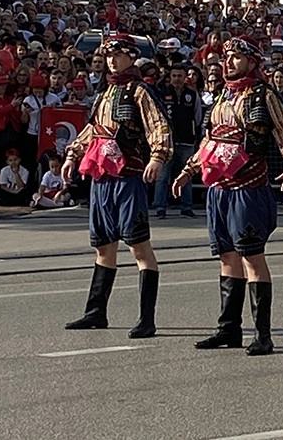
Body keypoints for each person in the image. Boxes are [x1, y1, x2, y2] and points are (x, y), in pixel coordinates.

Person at [173, 35, 283, 355]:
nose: (229, 61)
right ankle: (228, 329)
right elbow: (210, 141)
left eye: (236, 57)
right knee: (225, 257)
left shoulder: (264, 96)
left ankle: (263, 334)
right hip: (218, 189)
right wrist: (189, 170)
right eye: (226, 56)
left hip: (248, 187)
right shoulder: (220, 96)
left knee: (251, 256)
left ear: (252, 61)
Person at [61, 33, 172, 338]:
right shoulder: (105, 92)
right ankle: (96, 311)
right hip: (101, 177)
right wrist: (73, 153)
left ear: (131, 57)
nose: (111, 59)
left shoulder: (140, 91)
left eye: (118, 54)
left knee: (138, 246)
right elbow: (92, 130)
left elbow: (158, 126)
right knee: (103, 246)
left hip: (127, 177)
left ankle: (146, 319)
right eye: (108, 54)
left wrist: (158, 157)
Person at [154, 64, 202, 219]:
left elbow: (198, 117)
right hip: (168, 143)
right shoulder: (162, 94)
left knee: (186, 175)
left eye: (180, 76)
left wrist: (194, 135)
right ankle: (160, 207)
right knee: (163, 176)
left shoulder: (192, 95)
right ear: (170, 77)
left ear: (185, 77)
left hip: (187, 141)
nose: (177, 79)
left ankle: (186, 207)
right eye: (174, 76)